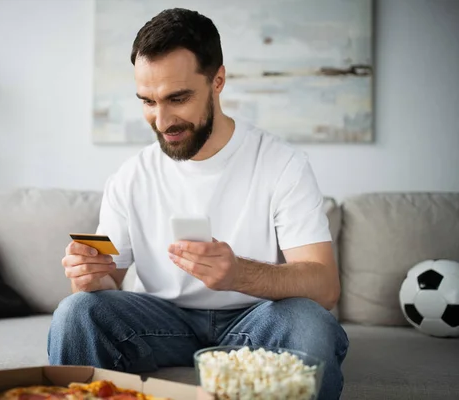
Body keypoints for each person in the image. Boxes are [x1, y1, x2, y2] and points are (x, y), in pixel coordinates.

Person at [48, 8, 349, 400]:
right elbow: (110, 286)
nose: (162, 120)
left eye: (178, 98)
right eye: (148, 102)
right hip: (161, 323)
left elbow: (325, 287)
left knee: (309, 322)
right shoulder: (129, 177)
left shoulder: (282, 164)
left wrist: (239, 274)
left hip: (259, 319)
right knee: (77, 311)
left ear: (217, 81)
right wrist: (87, 276)